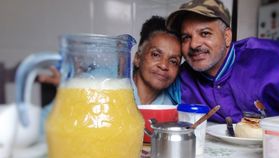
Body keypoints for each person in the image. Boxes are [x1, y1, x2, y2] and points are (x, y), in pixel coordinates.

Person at [165, 0, 279, 157]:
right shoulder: (180, 79)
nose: (194, 44)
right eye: (185, 37)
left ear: (227, 36)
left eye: (205, 33)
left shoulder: (277, 64)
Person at [38, 16, 182, 105]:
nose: (164, 65)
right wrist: (70, 87)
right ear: (138, 58)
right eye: (156, 54)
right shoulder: (108, 81)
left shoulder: (169, 105)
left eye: (174, 61)